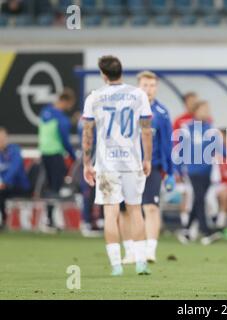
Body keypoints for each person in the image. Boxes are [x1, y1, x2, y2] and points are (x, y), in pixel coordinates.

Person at [82, 55, 153, 276]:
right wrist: (147, 158)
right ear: (121, 71)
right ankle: (141, 262)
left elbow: (87, 133)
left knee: (110, 212)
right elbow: (146, 131)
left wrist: (86, 163)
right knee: (135, 210)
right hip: (131, 162)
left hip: (106, 164)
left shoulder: (94, 97)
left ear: (103, 75)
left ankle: (116, 265)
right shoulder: (138, 94)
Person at [120, 71, 175, 264]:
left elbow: (168, 143)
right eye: (145, 85)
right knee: (126, 209)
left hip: (153, 167)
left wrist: (170, 172)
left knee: (151, 207)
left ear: (156, 88)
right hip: (127, 167)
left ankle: (150, 250)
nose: (149, 89)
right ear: (138, 87)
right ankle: (130, 251)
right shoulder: (126, 110)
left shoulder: (162, 113)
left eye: (152, 86)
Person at [175, 101, 222, 245]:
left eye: (207, 109)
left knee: (197, 199)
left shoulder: (210, 127)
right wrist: (178, 170)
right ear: (196, 111)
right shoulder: (187, 128)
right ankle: (206, 231)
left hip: (207, 170)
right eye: (204, 109)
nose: (207, 112)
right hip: (193, 169)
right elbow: (181, 150)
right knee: (200, 199)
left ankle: (187, 231)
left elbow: (217, 146)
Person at [38, 88, 76, 232]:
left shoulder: (45, 111)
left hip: (44, 154)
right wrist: (73, 156)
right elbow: (65, 140)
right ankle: (50, 220)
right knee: (56, 188)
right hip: (56, 155)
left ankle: (48, 219)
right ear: (66, 101)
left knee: (49, 187)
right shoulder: (61, 118)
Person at [173, 92, 198, 228]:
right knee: (187, 193)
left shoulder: (205, 119)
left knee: (200, 196)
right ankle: (185, 226)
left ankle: (196, 226)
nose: (194, 103)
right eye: (191, 101)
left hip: (201, 163)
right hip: (185, 163)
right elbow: (176, 144)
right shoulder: (179, 120)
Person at [0, 127, 30, 230]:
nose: (1, 140)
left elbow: (14, 169)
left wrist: (3, 182)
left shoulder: (14, 150)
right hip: (4, 187)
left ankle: (3, 221)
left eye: (3, 137)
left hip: (20, 186)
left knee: (1, 192)